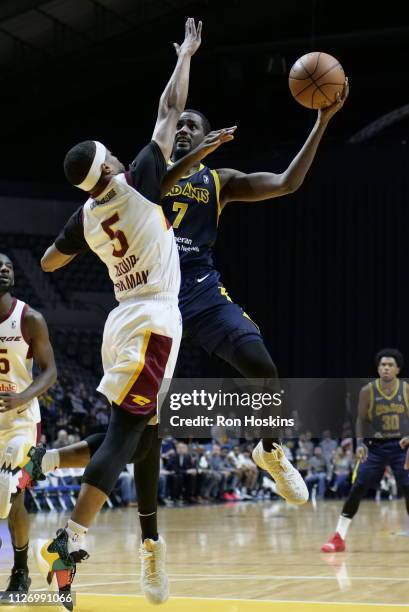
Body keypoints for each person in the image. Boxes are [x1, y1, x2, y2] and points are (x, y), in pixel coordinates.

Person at [32, 19, 211, 610]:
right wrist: (185, 54)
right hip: (155, 321)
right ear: (110, 167)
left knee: (138, 435)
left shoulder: (85, 217)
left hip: (120, 320)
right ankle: (69, 540)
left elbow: (49, 261)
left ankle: (51, 461)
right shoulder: (138, 185)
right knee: (130, 436)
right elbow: (170, 107)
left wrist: (89, 226)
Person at [159, 73, 349, 505]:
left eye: (195, 125)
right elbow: (166, 118)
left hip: (201, 289)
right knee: (138, 415)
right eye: (181, 124)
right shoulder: (151, 170)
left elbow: (286, 183)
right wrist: (185, 61)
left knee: (263, 369)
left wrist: (321, 122)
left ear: (208, 137)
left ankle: (269, 450)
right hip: (151, 291)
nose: (185, 128)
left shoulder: (218, 180)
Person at [0, 254, 57, 596]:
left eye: (7, 265)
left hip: (21, 421)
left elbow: (50, 371)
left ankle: (20, 572)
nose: (4, 269)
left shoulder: (30, 318)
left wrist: (23, 396)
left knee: (12, 492)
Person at [321, 348, 409, 552]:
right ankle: (338, 537)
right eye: (382, 365)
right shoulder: (368, 390)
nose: (386, 368)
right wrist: (360, 443)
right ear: (378, 368)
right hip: (375, 447)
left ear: (397, 369)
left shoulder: (405, 390)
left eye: (390, 365)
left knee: (408, 488)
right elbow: (361, 419)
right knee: (358, 487)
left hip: (400, 447)